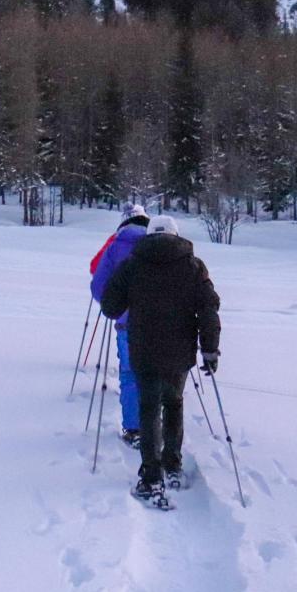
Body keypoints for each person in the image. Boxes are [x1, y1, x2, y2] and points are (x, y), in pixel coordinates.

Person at [101, 215, 220, 507]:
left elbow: (111, 306)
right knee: (174, 403)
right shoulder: (194, 266)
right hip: (179, 351)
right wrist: (210, 349)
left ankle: (152, 478)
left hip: (143, 348)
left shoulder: (133, 263)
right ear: (176, 235)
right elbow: (208, 309)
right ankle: (173, 466)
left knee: (149, 408)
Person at [90, 203, 150, 446]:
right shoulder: (162, 243)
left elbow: (98, 284)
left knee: (130, 373)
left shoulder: (116, 245)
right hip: (162, 323)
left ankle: (135, 429)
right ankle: (162, 426)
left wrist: (114, 306)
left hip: (127, 323)